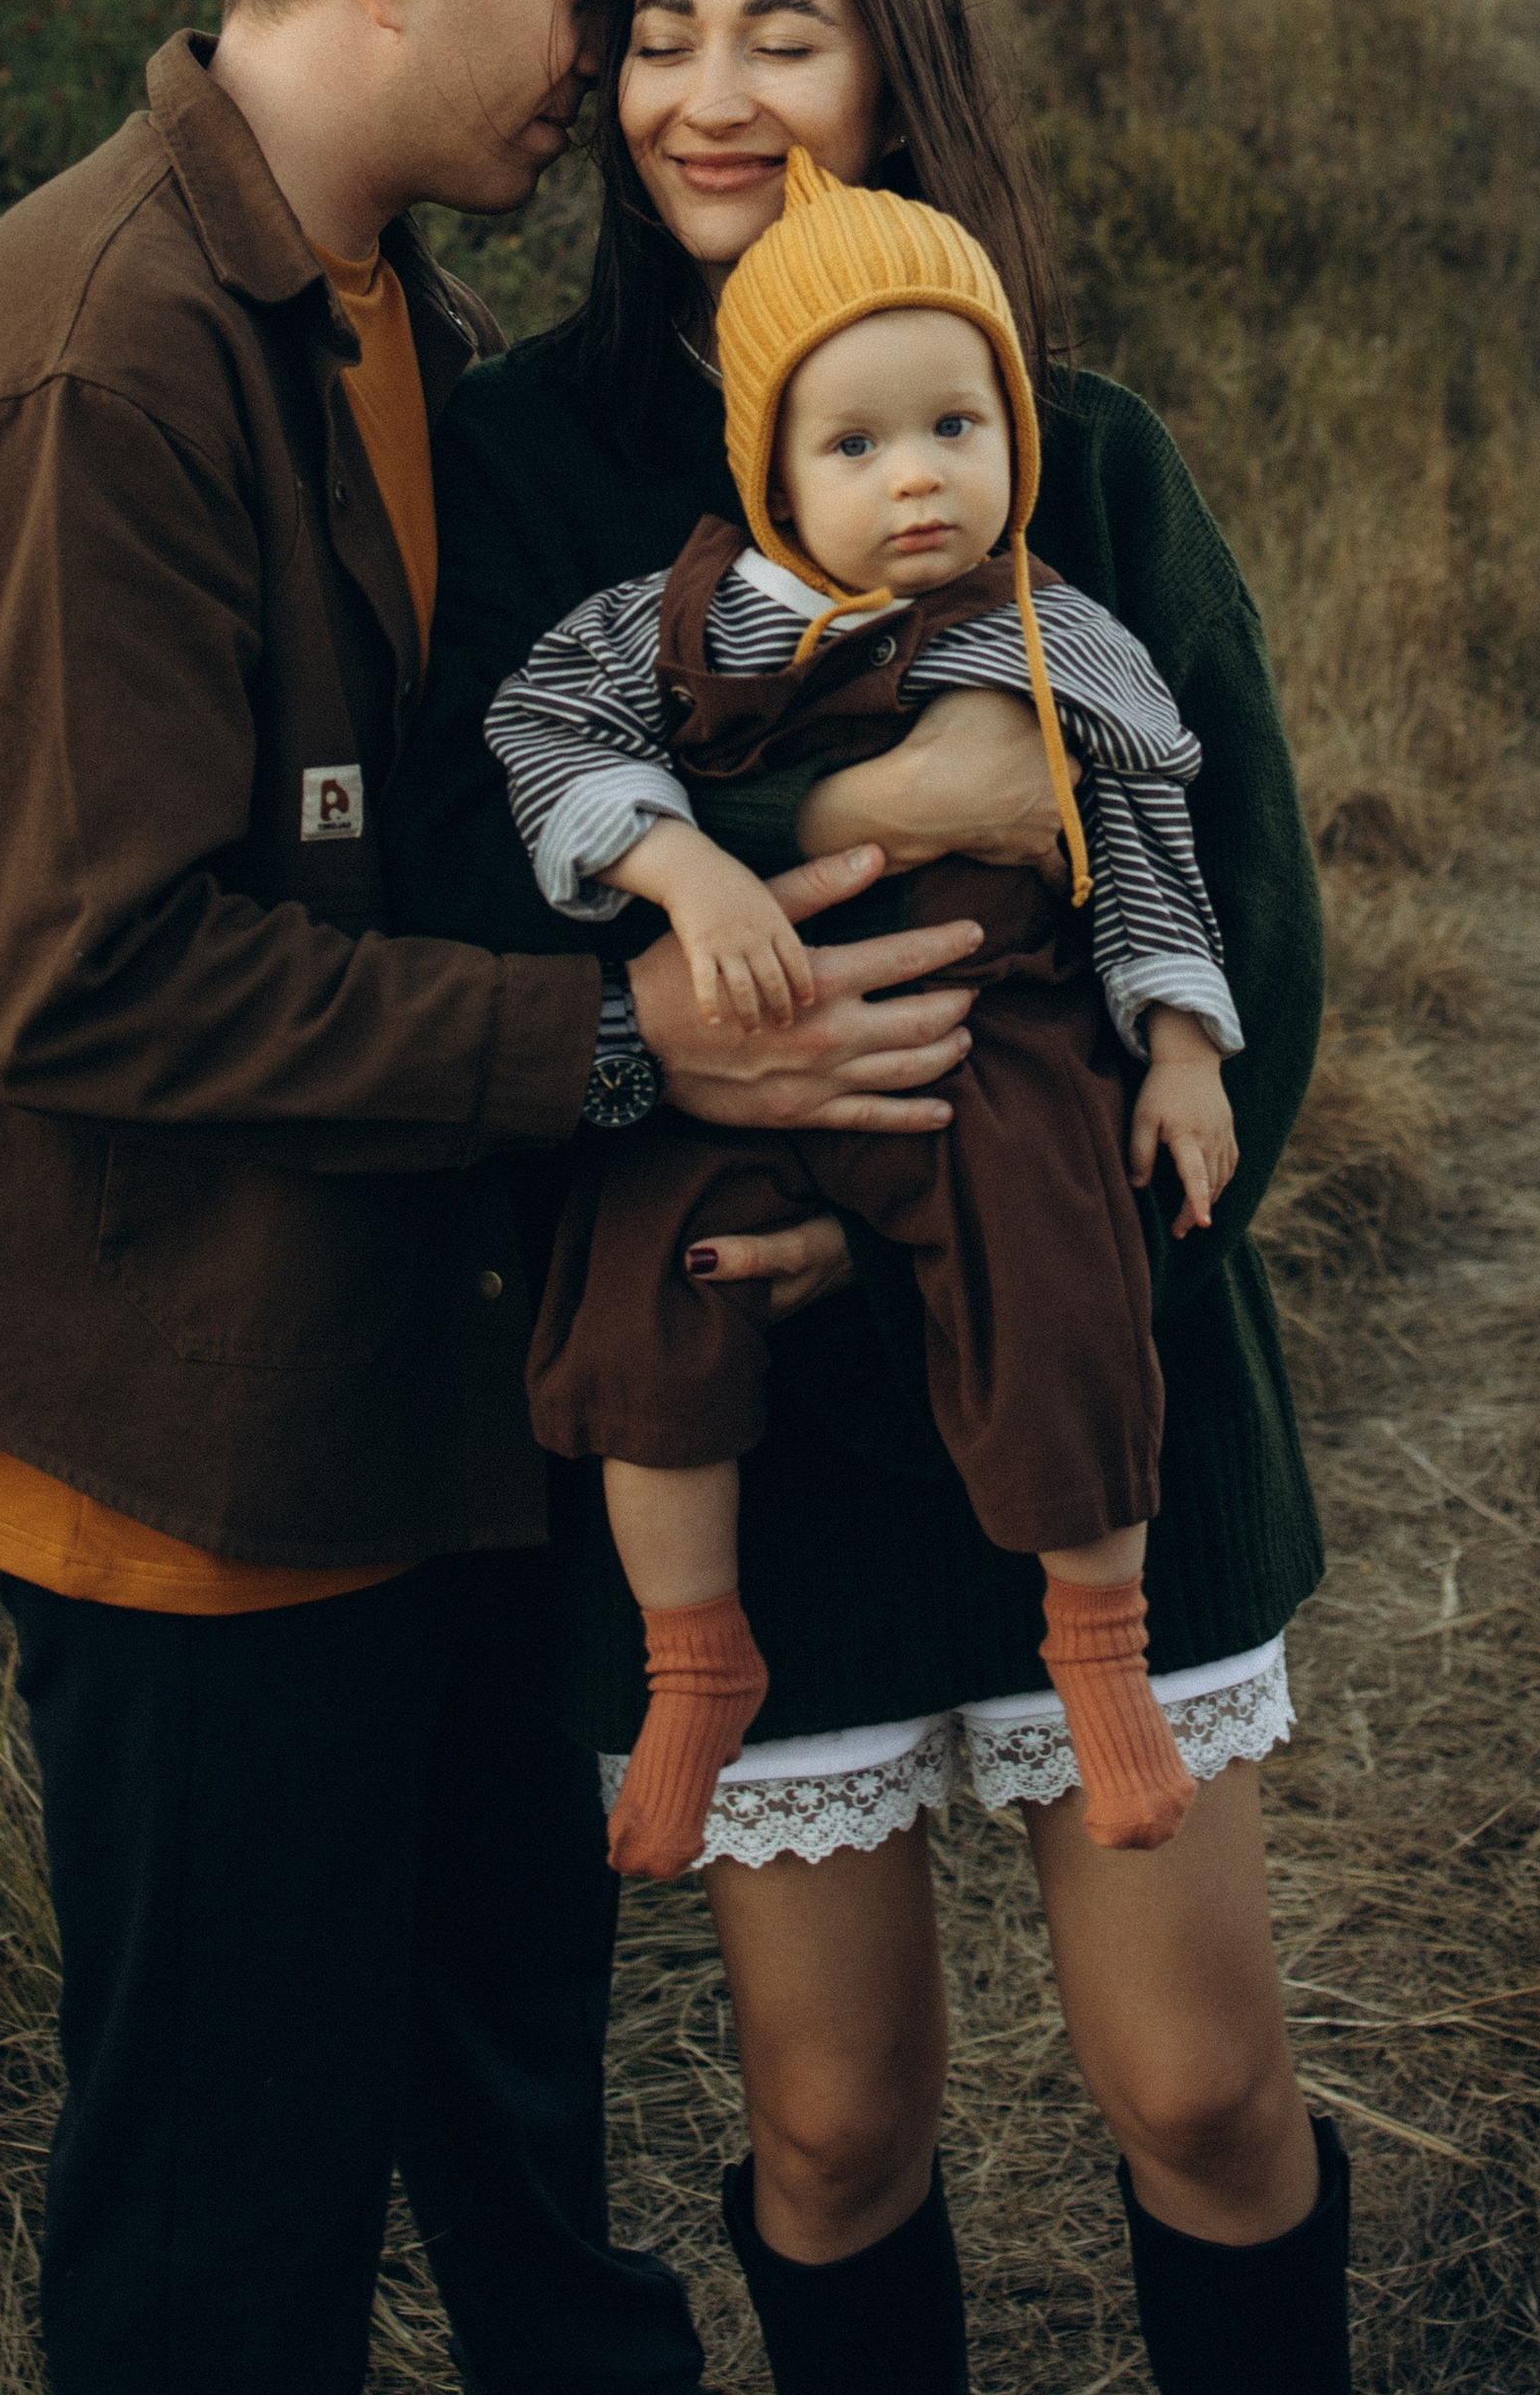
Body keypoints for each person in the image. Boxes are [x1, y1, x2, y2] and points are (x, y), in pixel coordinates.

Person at [0, 0, 995, 2395]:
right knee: (226, 2225)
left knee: (526, 2159)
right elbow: (93, 976)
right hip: (180, 1460)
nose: (619, 69)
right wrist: (641, 1058)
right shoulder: (94, 353)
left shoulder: (369, 315)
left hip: (402, 1410)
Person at [394, 0, 1352, 2395]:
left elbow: (1245, 922)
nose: (711, 94)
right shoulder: (534, 470)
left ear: (892, 66)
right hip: (735, 1389)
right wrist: (850, 832)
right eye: (666, 35)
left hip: (1083, 1345)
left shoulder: (1077, 459)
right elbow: (480, 915)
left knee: (1201, 2082)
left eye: (782, 33)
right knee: (831, 2128)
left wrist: (1013, 1152)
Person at [488, 149, 1247, 1876]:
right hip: (737, 1069)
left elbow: (1146, 837)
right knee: (635, 1298)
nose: (915, 482)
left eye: (954, 432)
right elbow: (538, 742)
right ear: (768, 463)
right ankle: (697, 1656)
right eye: (855, 445)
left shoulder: (1051, 637)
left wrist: (1184, 1043)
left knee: (1062, 1270)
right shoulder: (665, 625)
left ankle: (1098, 1647)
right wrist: (682, 872)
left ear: (1013, 441)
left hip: (1003, 1045)